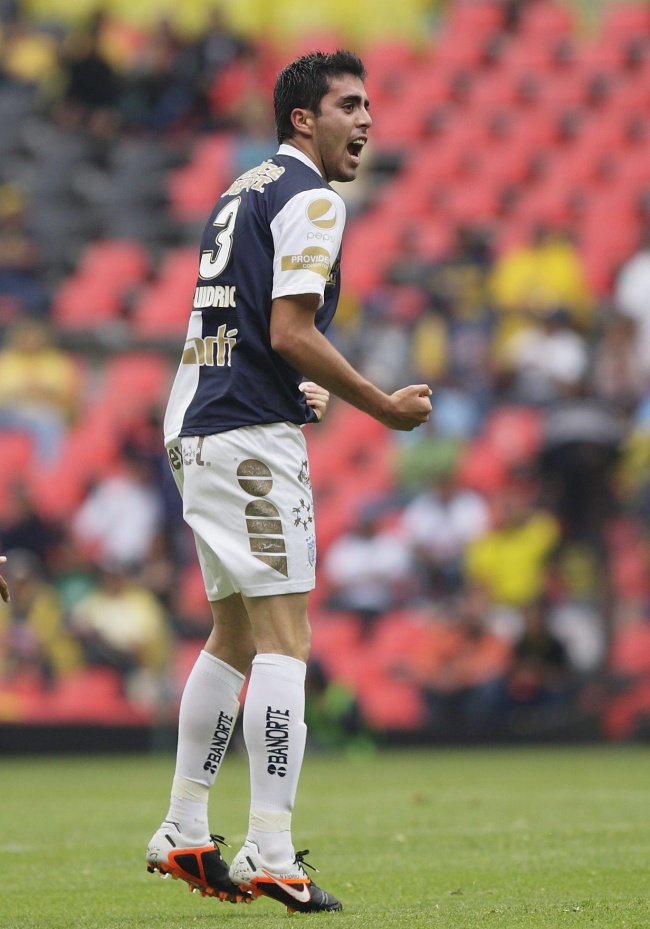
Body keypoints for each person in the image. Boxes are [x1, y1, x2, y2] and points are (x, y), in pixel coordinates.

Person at [145, 49, 432, 914]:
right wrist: (383, 406)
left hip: (198, 420)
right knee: (285, 638)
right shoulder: (312, 196)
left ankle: (184, 826)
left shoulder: (243, 188)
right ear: (303, 119)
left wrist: (290, 384)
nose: (367, 120)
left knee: (234, 633)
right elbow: (291, 328)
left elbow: (246, 326)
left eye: (369, 105)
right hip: (245, 436)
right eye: (349, 105)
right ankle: (269, 846)